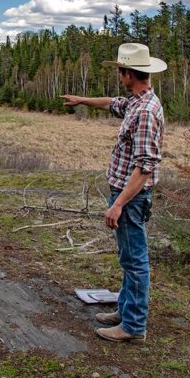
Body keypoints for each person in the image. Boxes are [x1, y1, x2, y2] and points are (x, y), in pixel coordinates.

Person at [61, 43, 166, 343]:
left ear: (129, 74)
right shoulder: (136, 101)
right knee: (128, 257)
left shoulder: (146, 111)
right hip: (126, 196)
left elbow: (145, 168)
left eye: (121, 71)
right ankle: (125, 309)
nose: (119, 76)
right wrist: (82, 100)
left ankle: (133, 326)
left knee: (135, 260)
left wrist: (118, 204)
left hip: (130, 198)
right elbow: (112, 103)